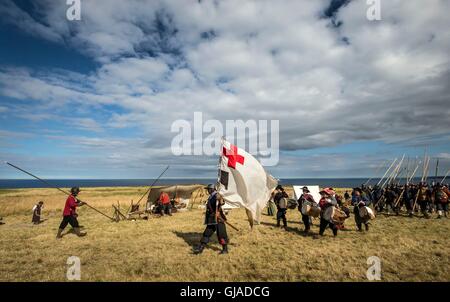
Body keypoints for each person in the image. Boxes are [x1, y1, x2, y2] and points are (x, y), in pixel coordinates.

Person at [194, 184, 229, 255]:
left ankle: (225, 250)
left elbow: (222, 202)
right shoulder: (211, 196)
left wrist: (220, 198)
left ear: (212, 189)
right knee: (206, 233)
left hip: (218, 219)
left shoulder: (217, 195)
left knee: (221, 234)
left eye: (208, 189)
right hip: (212, 220)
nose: (207, 190)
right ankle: (201, 248)